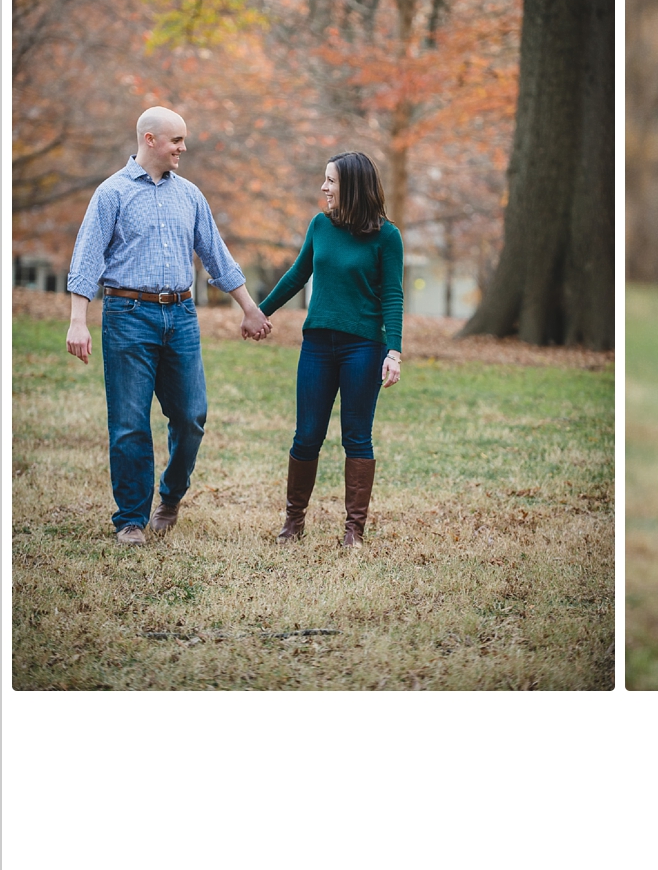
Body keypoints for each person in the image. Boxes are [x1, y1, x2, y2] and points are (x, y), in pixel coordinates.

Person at [66, 106, 272, 546]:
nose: (183, 148)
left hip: (180, 317)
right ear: (150, 140)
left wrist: (249, 308)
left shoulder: (190, 195)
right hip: (126, 317)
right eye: (176, 140)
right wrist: (77, 322)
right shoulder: (111, 194)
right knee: (129, 422)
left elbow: (217, 255)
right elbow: (86, 260)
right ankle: (131, 520)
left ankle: (171, 497)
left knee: (192, 415)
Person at [257, 152, 404, 548]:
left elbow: (392, 295)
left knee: (356, 437)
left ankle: (353, 531)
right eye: (325, 180)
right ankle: (293, 522)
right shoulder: (320, 225)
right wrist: (259, 312)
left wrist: (394, 351)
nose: (324, 187)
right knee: (306, 435)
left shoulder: (387, 236)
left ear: (352, 186)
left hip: (363, 347)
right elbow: (297, 274)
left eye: (331, 181)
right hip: (318, 345)